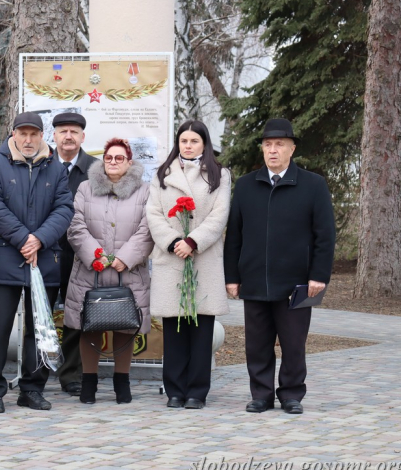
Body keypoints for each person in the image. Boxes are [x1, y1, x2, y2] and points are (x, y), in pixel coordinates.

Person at [224, 118, 335, 415]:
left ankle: (291, 394)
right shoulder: (247, 185)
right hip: (255, 279)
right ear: (262, 148)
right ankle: (261, 395)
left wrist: (319, 276)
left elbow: (325, 235)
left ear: (292, 148)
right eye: (268, 144)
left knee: (294, 344)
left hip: (297, 282)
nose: (273, 150)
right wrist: (232, 276)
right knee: (257, 344)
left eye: (280, 145)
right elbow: (234, 234)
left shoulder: (313, 185)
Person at [0, 111, 74, 414]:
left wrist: (40, 239)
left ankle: (33, 388)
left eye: (34, 134)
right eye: (23, 134)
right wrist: (23, 239)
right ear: (14, 134)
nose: (29, 140)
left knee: (40, 328)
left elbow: (64, 208)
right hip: (6, 259)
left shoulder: (55, 168)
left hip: (44, 261)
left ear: (42, 136)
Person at [146, 120, 231, 410]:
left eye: (194, 141)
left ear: (204, 144)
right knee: (174, 329)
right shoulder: (162, 174)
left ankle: (197, 391)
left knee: (201, 328)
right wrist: (173, 242)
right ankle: (175, 390)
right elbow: (154, 214)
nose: (188, 145)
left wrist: (193, 241)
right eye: (184, 141)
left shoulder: (219, 175)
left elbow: (219, 216)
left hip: (202, 257)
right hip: (171, 258)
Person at [65, 138, 154, 404]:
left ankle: (121, 382)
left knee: (125, 327)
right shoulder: (84, 188)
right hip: (89, 271)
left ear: (129, 162)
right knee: (88, 325)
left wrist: (124, 258)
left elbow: (148, 229)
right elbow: (75, 224)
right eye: (108, 158)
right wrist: (97, 255)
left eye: (119, 158)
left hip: (129, 272)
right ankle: (88, 384)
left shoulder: (145, 191)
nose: (113, 162)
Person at [51, 112, 98, 397]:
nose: (68, 136)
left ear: (82, 137)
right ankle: (37, 370)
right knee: (39, 313)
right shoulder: (42, 165)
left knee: (77, 316)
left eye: (73, 132)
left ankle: (72, 374)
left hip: (80, 255)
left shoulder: (96, 169)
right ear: (53, 136)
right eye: (62, 131)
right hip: (44, 253)